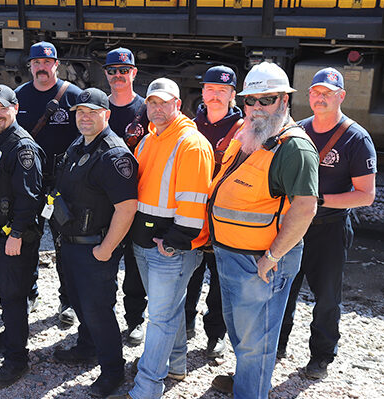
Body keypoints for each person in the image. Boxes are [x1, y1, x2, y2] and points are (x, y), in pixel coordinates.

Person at [207, 62, 319, 398]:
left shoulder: (294, 147)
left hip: (261, 261)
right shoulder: (251, 132)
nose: (256, 107)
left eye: (266, 100)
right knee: (242, 331)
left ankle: (250, 391)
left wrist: (272, 256)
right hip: (231, 254)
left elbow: (305, 207)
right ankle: (247, 378)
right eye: (250, 100)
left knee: (258, 340)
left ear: (284, 101)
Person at [278, 67, 376, 379]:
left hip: (329, 229)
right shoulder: (297, 130)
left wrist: (317, 200)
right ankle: (276, 346)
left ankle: (321, 356)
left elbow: (365, 195)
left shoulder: (356, 139)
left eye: (328, 93)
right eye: (316, 92)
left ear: (341, 96)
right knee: (283, 291)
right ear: (308, 95)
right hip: (294, 227)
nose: (320, 98)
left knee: (327, 298)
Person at [125, 78, 213, 399]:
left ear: (178, 105)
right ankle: (175, 363)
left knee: (159, 319)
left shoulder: (191, 144)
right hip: (148, 242)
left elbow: (193, 202)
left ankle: (146, 389)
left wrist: (174, 240)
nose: (157, 109)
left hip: (170, 247)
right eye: (152, 102)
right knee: (168, 312)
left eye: (164, 103)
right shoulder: (149, 140)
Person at [49, 88, 138, 397]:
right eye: (80, 112)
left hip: (95, 248)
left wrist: (107, 249)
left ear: (107, 115)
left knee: (99, 310)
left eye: (92, 112)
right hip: (72, 243)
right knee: (80, 302)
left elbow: (127, 208)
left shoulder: (114, 155)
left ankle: (113, 371)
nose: (84, 118)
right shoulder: (79, 144)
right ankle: (86, 347)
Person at [0, 85, 44, 387]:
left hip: (13, 236)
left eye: (3, 108)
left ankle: (17, 359)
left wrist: (16, 234)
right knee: (4, 290)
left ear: (15, 109)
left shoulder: (22, 147)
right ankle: (11, 334)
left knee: (14, 296)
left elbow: (30, 198)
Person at [15, 40, 83, 325]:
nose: (42, 68)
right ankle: (29, 295)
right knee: (28, 240)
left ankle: (67, 301)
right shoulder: (19, 96)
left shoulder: (73, 96)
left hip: (62, 184)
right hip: (29, 183)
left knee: (64, 244)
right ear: (30, 66)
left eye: (47, 62)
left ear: (56, 64)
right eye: (36, 63)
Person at [184, 65, 242, 358]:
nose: (215, 95)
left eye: (222, 90)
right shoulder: (189, 127)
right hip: (192, 217)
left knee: (221, 282)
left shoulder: (245, 129)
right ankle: (185, 326)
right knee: (189, 276)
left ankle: (214, 334)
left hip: (225, 219)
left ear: (233, 94)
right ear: (202, 92)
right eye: (210, 89)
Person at [102, 47, 149, 345]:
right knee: (102, 262)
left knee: (134, 265)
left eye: (124, 70)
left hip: (137, 199)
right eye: (112, 71)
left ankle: (135, 320)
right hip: (102, 201)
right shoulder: (96, 106)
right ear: (106, 74)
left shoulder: (146, 110)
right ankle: (100, 320)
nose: (118, 76)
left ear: (133, 73)